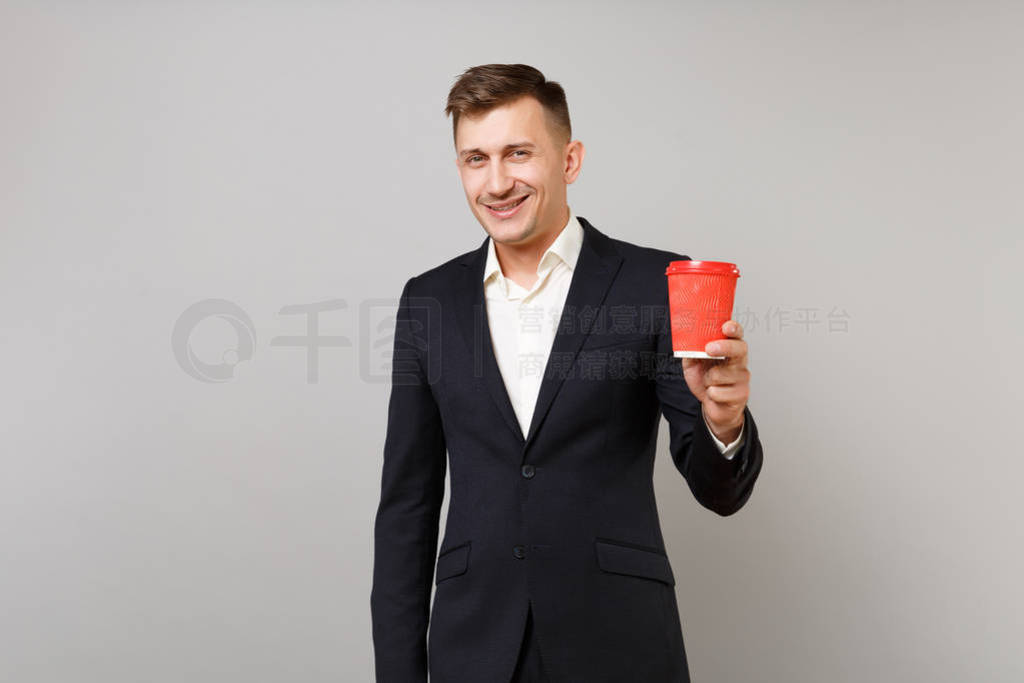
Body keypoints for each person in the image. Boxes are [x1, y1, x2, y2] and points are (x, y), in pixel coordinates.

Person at [370, 63, 763, 683]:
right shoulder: (429, 302)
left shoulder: (655, 284)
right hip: (474, 648)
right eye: (476, 159)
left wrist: (725, 421)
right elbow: (406, 509)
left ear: (570, 160)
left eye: (518, 153)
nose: (496, 182)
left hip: (620, 643)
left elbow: (720, 492)